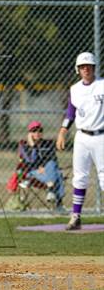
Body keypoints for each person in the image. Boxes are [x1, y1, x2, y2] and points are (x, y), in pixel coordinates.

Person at [56, 52, 104, 230]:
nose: (86, 69)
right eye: (82, 67)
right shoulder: (75, 89)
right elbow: (71, 113)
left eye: (89, 66)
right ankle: (75, 217)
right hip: (82, 137)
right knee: (80, 177)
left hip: (101, 136)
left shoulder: (102, 86)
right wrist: (63, 130)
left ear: (94, 68)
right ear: (78, 70)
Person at [17, 120, 65, 211]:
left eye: (40, 130)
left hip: (47, 170)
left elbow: (52, 158)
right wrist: (33, 146)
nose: (37, 133)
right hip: (33, 172)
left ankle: (51, 188)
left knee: (53, 165)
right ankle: (57, 202)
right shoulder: (25, 146)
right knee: (58, 173)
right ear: (29, 133)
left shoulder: (48, 143)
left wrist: (44, 167)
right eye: (34, 131)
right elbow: (30, 162)